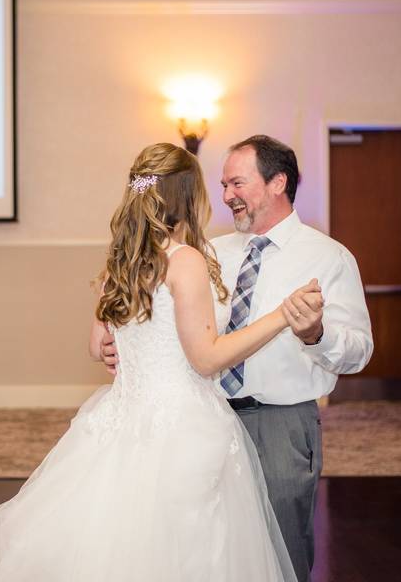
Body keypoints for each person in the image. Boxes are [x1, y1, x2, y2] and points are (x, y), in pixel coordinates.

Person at [0, 143, 324, 581]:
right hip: (181, 426)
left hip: (121, 421)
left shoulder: (123, 260)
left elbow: (97, 344)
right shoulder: (184, 260)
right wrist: (281, 316)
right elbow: (207, 359)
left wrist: (121, 351)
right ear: (186, 196)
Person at [101, 135, 373, 582]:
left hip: (279, 424)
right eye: (223, 185)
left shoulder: (329, 258)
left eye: (237, 183)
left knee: (281, 551)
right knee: (208, 552)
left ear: (277, 183)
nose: (226, 196)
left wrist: (317, 334)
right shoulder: (210, 252)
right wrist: (122, 342)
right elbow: (168, 322)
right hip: (202, 421)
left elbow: (360, 351)